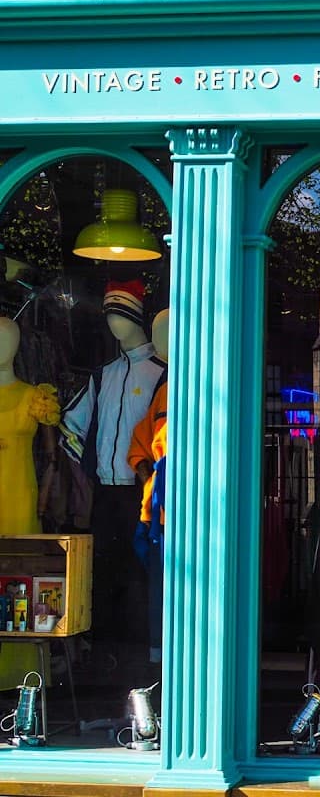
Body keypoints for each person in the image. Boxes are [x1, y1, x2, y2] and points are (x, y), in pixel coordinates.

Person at [58, 281, 165, 668]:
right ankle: (104, 650)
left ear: (138, 317)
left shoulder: (161, 373)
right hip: (105, 489)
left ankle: (140, 651)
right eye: (109, 315)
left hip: (141, 490)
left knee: (139, 571)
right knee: (103, 570)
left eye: (121, 314)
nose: (115, 323)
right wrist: (85, 471)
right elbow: (74, 423)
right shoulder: (103, 375)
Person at [0, 315, 61, 688]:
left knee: (20, 581)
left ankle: (21, 674)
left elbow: (53, 458)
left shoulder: (34, 395)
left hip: (21, 493)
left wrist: (45, 502)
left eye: (7, 339)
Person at [128, 309, 168, 666]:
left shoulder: (210, 388)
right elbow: (140, 444)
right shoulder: (164, 394)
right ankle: (160, 660)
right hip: (161, 515)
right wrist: (150, 478)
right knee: (160, 587)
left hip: (196, 512)